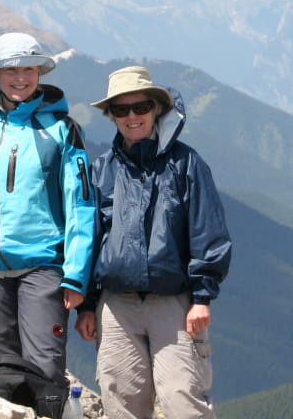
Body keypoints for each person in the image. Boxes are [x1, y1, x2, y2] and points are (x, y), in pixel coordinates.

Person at [75, 66, 232, 419]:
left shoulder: (186, 164)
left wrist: (202, 297)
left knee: (182, 401)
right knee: (121, 402)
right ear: (111, 115)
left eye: (141, 107)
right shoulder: (102, 169)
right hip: (116, 307)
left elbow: (208, 231)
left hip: (174, 304)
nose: (132, 116)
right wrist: (87, 305)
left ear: (156, 109)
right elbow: (89, 239)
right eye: (121, 109)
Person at [0, 32, 95, 389]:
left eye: (28, 68)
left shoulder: (62, 130)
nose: (19, 78)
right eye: (9, 70)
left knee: (45, 367)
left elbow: (81, 205)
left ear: (41, 72)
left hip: (42, 268)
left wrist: (76, 274)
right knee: (0, 371)